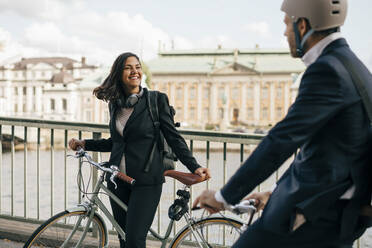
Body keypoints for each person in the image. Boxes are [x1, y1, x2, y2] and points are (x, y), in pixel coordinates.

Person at [193, 0, 372, 247]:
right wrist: (273, 193)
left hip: (314, 212)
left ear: (302, 25)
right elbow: (321, 151)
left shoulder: (327, 70)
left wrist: (224, 197)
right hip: (339, 212)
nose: (284, 32)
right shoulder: (353, 66)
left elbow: (281, 140)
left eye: (287, 24)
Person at [69, 52, 210, 248]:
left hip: (146, 180)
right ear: (119, 73)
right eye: (128, 67)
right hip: (117, 180)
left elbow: (173, 137)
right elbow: (118, 142)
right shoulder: (115, 105)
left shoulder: (156, 100)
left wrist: (194, 166)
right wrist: (86, 143)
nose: (134, 71)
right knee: (124, 238)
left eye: (137, 67)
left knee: (135, 241)